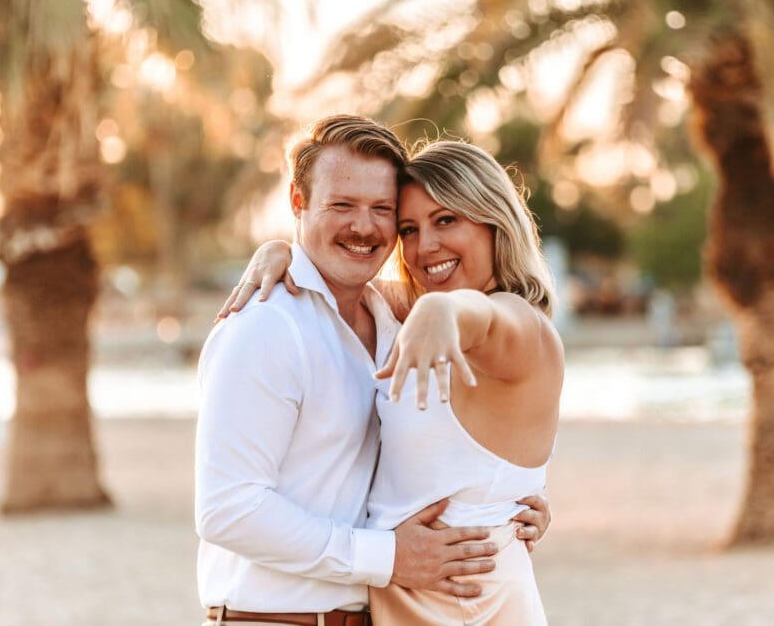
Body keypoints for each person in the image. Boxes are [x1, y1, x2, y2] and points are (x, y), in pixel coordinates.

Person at [196, 116, 549, 626]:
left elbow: (497, 356)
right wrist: (389, 557)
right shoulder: (266, 327)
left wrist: (506, 495)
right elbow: (227, 510)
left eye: (383, 211)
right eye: (341, 205)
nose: (364, 227)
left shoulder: (392, 320)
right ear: (297, 202)